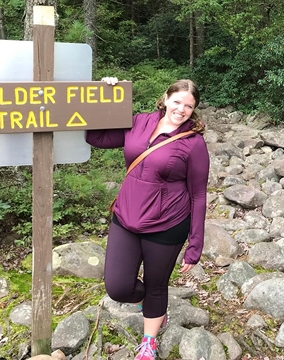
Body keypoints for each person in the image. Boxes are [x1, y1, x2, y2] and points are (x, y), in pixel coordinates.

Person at [85, 78, 210, 360]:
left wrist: (195, 243)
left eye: (189, 106)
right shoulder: (140, 122)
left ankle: (149, 339)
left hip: (167, 224)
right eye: (177, 102)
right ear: (165, 98)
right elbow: (96, 137)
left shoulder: (193, 144)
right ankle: (154, 304)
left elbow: (199, 195)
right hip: (126, 217)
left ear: (194, 110)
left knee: (156, 284)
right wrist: (106, 95)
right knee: (117, 286)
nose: (181, 110)